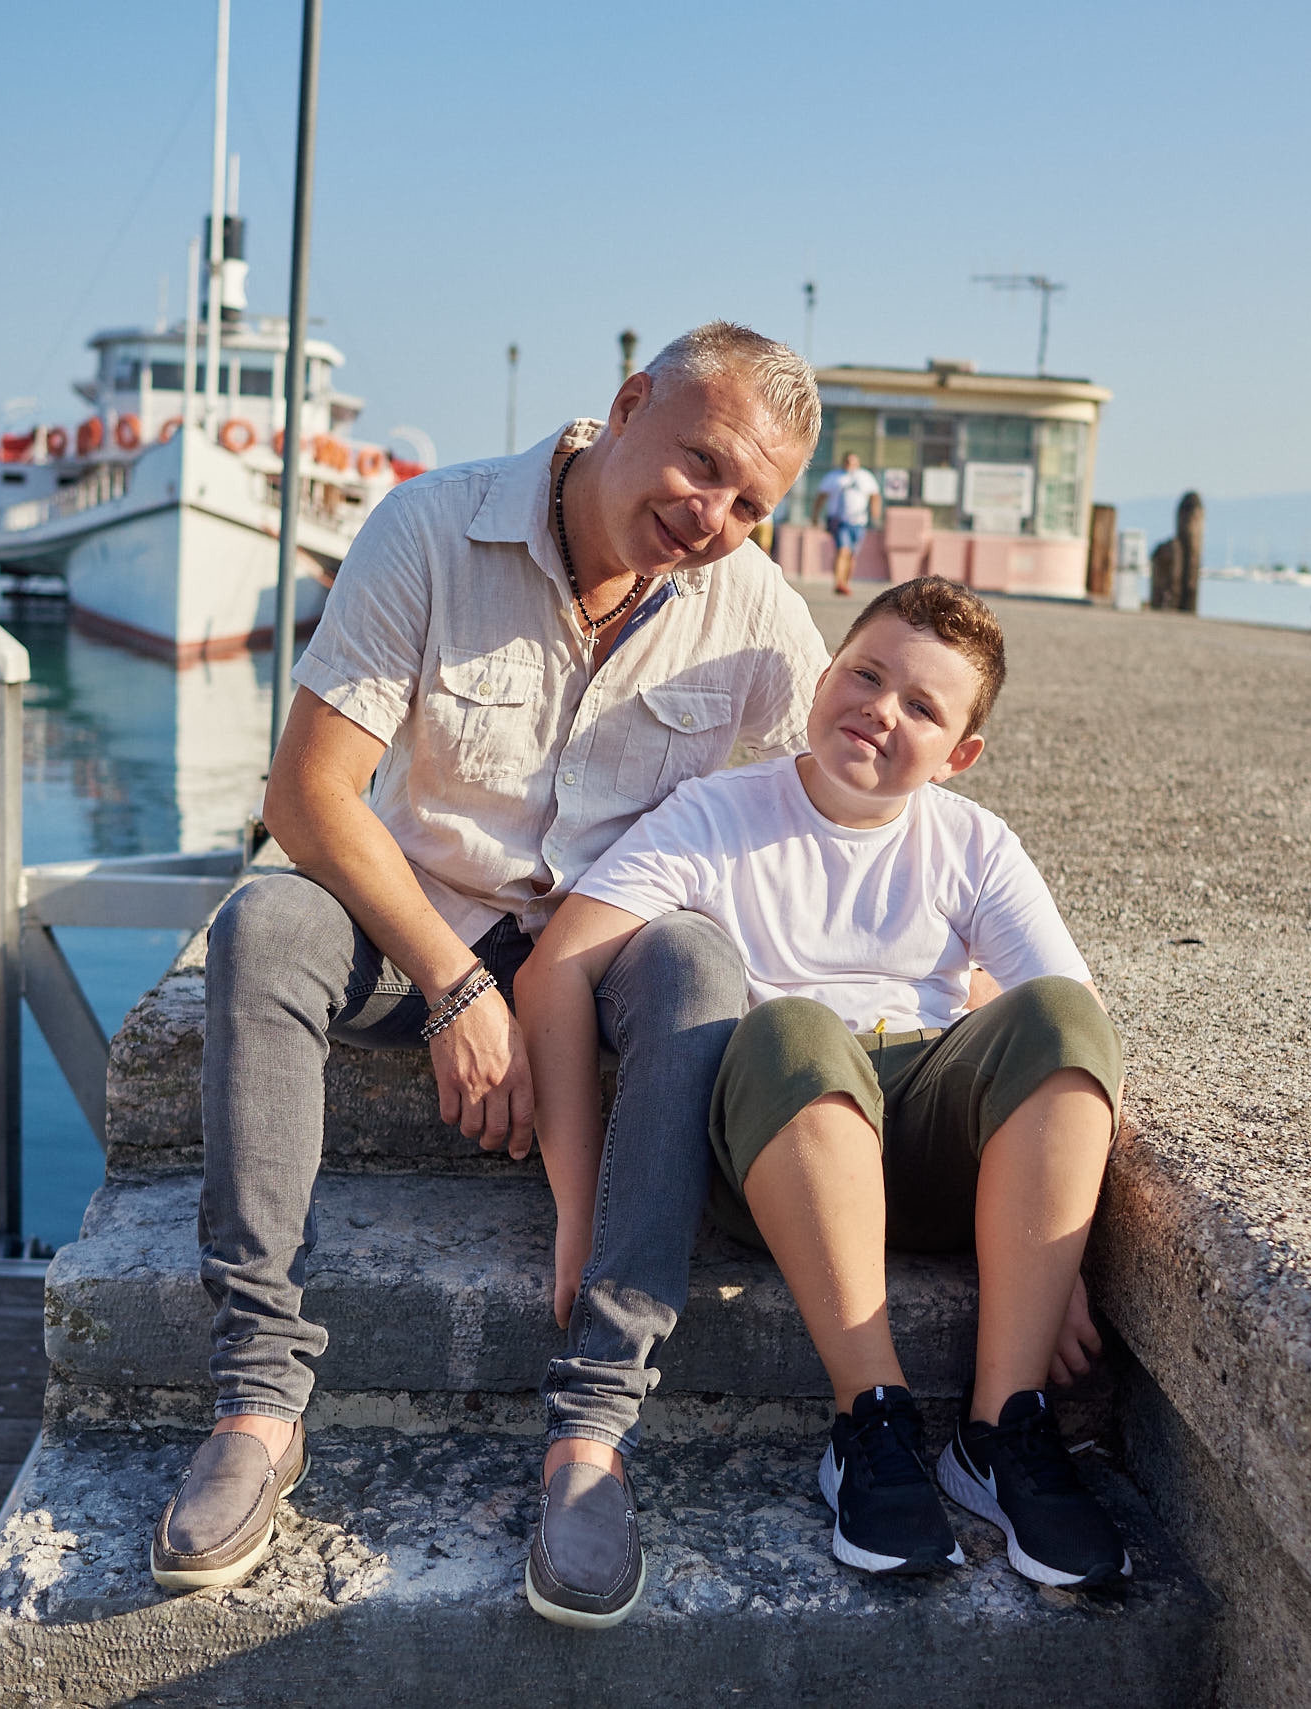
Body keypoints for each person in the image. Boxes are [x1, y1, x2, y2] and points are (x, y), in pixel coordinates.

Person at [148, 324, 830, 1631]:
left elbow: (838, 810)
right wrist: (460, 984)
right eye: (701, 464)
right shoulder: (431, 528)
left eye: (753, 502)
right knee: (266, 932)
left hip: (606, 943)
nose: (717, 515)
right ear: (626, 403)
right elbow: (309, 796)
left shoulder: (755, 610)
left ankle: (592, 1435)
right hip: (421, 914)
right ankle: (258, 1401)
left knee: (697, 964)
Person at [516, 577, 1130, 1589]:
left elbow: (1063, 1044)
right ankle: (870, 1419)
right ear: (826, 671)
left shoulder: (972, 843)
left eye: (923, 707)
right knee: (796, 1024)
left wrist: (1049, 1257)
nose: (881, 710)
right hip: (781, 1142)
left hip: (927, 1146)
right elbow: (558, 969)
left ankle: (998, 1431)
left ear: (958, 753)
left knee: (1067, 1016)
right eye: (866, 673)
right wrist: (579, 1206)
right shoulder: (714, 815)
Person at [817, 451, 881, 596]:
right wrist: (816, 516)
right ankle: (838, 582)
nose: (850, 465)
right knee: (842, 551)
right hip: (839, 521)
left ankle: (845, 582)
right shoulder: (834, 477)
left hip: (859, 522)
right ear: (843, 462)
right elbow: (821, 496)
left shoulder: (865, 477)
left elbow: (875, 496)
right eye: (847, 462)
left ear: (858, 463)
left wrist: (875, 514)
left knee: (851, 555)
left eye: (853, 462)